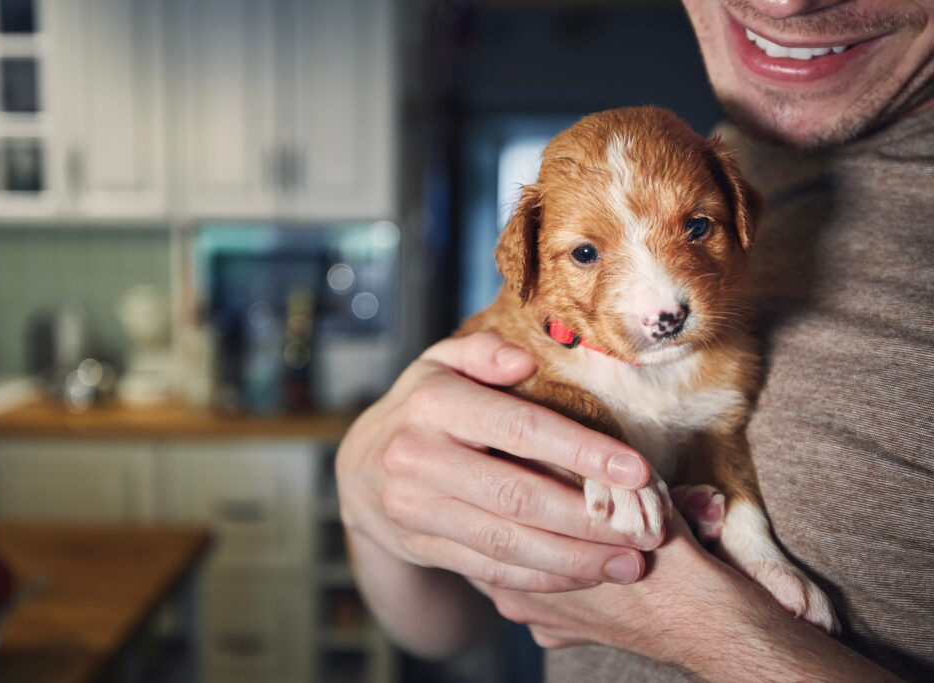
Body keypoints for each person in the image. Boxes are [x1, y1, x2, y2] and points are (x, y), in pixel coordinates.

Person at [335, 0, 934, 680]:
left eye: (698, 229)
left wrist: (709, 629)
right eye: (586, 253)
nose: (783, 3)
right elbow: (453, 622)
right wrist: (368, 501)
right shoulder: (728, 151)